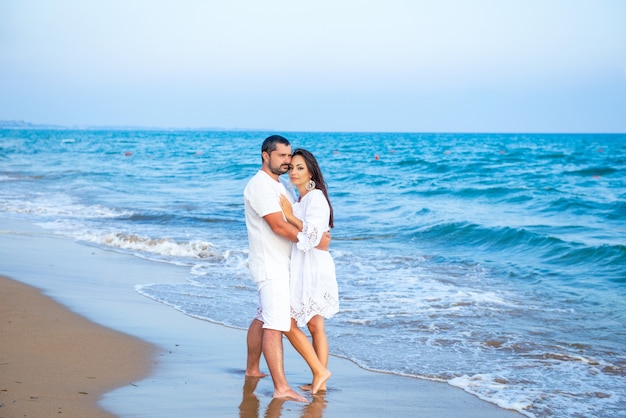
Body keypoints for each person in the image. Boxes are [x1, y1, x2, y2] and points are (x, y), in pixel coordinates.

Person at [243, 135, 331, 401]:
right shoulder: (260, 186)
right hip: (271, 265)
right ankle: (282, 387)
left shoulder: (281, 186)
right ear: (265, 155)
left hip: (284, 265)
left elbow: (302, 220)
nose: (288, 161)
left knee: (262, 317)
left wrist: (314, 235)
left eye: (289, 156)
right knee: (275, 324)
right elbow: (280, 226)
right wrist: (315, 240)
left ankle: (252, 369)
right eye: (282, 156)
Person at [279, 148, 339, 393]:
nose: (294, 172)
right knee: (307, 325)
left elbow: (314, 234)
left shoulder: (316, 198)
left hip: (315, 266)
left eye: (300, 168)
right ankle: (319, 378)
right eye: (292, 167)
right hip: (302, 265)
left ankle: (320, 375)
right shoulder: (301, 199)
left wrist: (291, 216)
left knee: (305, 324)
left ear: (311, 172)